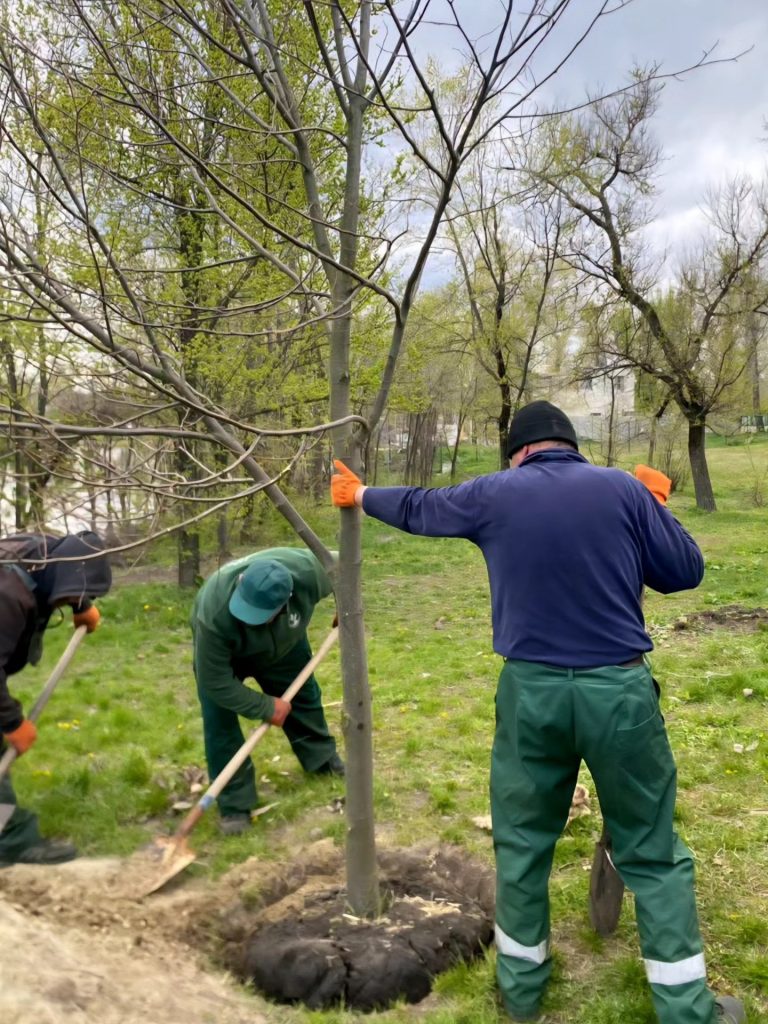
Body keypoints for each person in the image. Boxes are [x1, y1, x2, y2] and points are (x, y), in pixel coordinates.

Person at [331, 401, 745, 1024]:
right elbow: (684, 573)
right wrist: (655, 509)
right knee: (653, 853)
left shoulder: (495, 493)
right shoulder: (621, 491)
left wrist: (361, 494)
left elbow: (419, 507)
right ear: (570, 445)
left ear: (517, 451)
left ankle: (521, 998)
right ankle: (687, 1012)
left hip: (533, 695)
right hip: (620, 695)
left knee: (523, 845)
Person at [190, 546, 343, 835]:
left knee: (304, 697)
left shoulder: (310, 570)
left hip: (284, 645)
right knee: (219, 722)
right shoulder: (212, 614)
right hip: (226, 655)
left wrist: (346, 603)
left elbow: (348, 566)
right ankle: (234, 803)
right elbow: (215, 683)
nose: (249, 619)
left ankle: (321, 759)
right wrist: (265, 707)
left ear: (286, 602)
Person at [0, 530, 111, 867]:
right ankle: (11, 841)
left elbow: (61, 574)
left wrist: (82, 605)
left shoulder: (46, 552)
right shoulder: (7, 594)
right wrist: (12, 722)